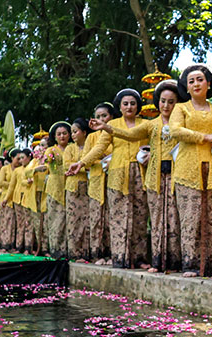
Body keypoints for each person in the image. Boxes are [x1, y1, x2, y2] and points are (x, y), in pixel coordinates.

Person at [77, 90, 150, 269]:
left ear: (138, 106)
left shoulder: (146, 124)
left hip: (140, 171)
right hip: (117, 173)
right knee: (118, 215)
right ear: (120, 107)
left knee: (140, 214)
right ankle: (119, 256)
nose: (129, 107)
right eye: (125, 104)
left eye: (133, 103)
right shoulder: (112, 124)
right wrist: (82, 162)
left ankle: (139, 258)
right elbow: (100, 148)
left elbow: (152, 145)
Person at [169, 65, 212, 278]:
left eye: (200, 79)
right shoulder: (180, 108)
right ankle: (191, 264)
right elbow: (176, 130)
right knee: (190, 218)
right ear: (186, 87)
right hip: (188, 170)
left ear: (208, 84)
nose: (196, 84)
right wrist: (205, 137)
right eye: (191, 81)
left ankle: (210, 266)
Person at [77, 102, 116, 264]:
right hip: (96, 179)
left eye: (104, 116)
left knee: (112, 217)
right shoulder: (91, 137)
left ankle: (113, 254)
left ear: (111, 117)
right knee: (96, 217)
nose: (101, 119)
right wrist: (100, 159)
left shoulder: (116, 133)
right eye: (98, 116)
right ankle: (97, 254)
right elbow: (85, 158)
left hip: (113, 178)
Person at [63, 119, 92, 261]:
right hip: (73, 188)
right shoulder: (69, 148)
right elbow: (66, 165)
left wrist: (78, 167)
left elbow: (93, 162)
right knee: (73, 220)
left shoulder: (91, 146)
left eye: (75, 131)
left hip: (88, 187)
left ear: (84, 132)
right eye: (72, 132)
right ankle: (74, 253)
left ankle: (86, 252)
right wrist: (83, 167)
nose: (73, 135)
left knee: (87, 219)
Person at [44, 121, 71, 258]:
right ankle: (56, 249)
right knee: (56, 219)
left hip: (70, 185)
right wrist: (46, 159)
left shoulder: (73, 148)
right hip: (54, 186)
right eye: (59, 134)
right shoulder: (51, 150)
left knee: (69, 219)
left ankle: (69, 249)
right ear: (54, 137)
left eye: (65, 133)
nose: (62, 136)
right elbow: (47, 160)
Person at [0, 149, 18, 250]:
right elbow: (0, 182)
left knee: (13, 223)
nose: (19, 160)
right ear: (12, 158)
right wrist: (13, 185)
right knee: (5, 221)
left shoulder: (20, 169)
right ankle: (4, 244)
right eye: (17, 158)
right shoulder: (5, 169)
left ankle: (12, 244)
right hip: (6, 198)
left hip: (16, 197)